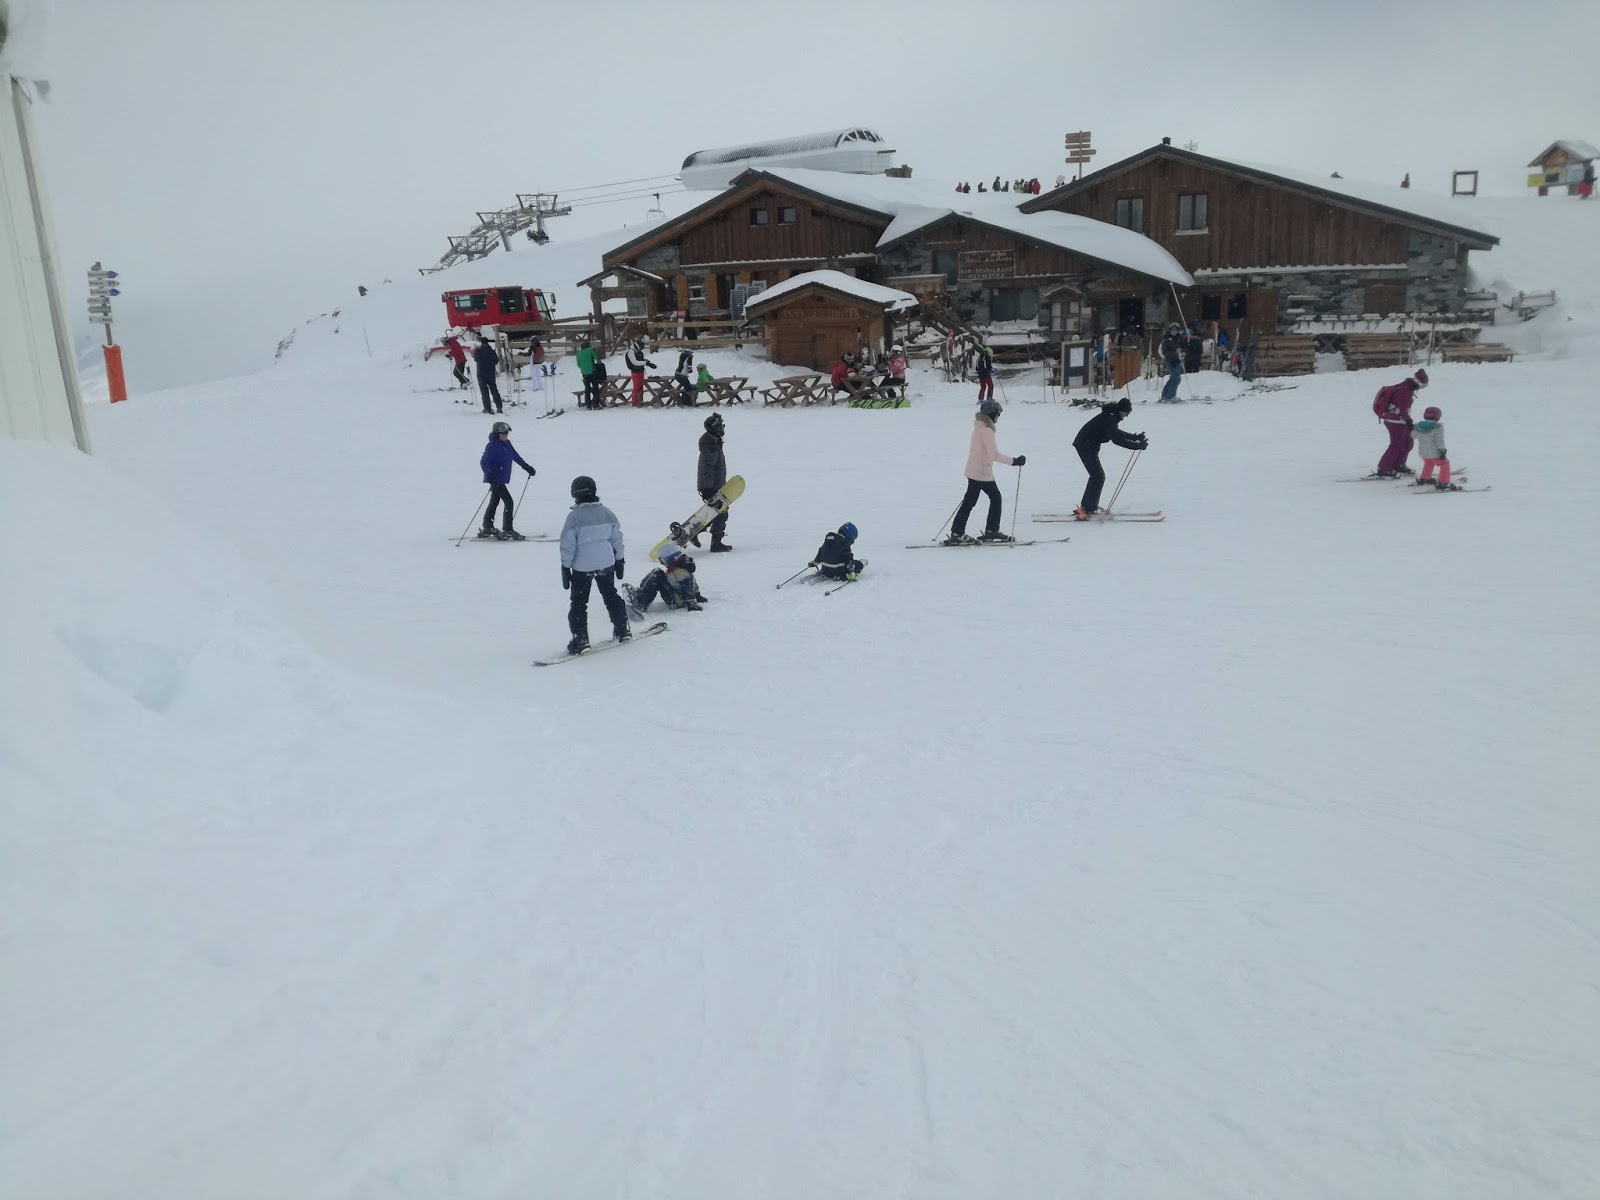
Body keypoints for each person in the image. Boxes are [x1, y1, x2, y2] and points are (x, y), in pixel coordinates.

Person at [559, 474, 629, 654]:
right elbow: (617, 539)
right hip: (606, 565)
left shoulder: (574, 517)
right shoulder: (607, 513)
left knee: (579, 603)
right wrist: (619, 560)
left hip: (582, 568)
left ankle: (580, 640)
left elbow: (567, 546)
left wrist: (565, 568)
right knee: (611, 596)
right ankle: (623, 629)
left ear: (575, 494)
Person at [944, 399, 1025, 545]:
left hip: (980, 471)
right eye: (997, 415)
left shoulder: (979, 428)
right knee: (981, 500)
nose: (998, 418)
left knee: (981, 500)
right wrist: (1015, 461)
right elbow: (994, 455)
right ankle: (962, 532)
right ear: (991, 415)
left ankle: (980, 531)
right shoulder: (986, 431)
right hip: (980, 473)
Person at [1072, 396, 1146, 519]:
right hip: (1085, 446)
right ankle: (1087, 508)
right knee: (1098, 476)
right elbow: (1116, 439)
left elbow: (1116, 433)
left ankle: (1088, 507)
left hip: (1088, 445)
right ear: (1121, 410)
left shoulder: (1111, 416)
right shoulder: (1110, 418)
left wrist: (1135, 438)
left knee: (1097, 476)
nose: (1126, 416)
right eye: (1126, 413)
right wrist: (1136, 446)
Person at [478, 420, 536, 540]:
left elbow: (515, 456)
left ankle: (487, 526)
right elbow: (483, 462)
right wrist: (490, 475)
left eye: (506, 433)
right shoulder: (493, 446)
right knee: (508, 501)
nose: (505, 435)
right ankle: (508, 529)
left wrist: (526, 467)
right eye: (503, 433)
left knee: (494, 501)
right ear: (496, 434)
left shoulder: (507, 444)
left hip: (501, 479)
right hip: (495, 479)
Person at [1373, 368, 1428, 476]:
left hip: (1400, 420)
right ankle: (1384, 469)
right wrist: (1408, 422)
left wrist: (1407, 421)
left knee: (1407, 443)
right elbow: (1402, 408)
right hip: (1394, 421)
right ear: (1418, 383)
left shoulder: (1407, 388)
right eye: (1423, 385)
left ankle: (1399, 465)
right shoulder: (1404, 391)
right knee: (1397, 445)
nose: (1422, 388)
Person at [624, 543, 704, 616]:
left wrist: (691, 603)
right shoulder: (680, 565)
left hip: (677, 601)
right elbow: (692, 581)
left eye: (663, 561)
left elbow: (689, 585)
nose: (663, 563)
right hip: (676, 594)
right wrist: (698, 595)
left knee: (657, 575)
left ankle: (640, 603)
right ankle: (641, 593)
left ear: (672, 559)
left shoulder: (679, 571)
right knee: (657, 571)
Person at [697, 412, 732, 552]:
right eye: (721, 426)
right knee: (721, 513)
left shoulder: (713, 443)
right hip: (711, 487)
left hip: (715, 485)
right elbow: (707, 469)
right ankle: (715, 543)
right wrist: (708, 488)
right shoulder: (710, 447)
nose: (723, 428)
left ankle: (704, 534)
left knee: (716, 512)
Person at [1412, 404, 1458, 490]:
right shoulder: (1437, 428)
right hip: (1434, 453)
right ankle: (1444, 482)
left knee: (1428, 463)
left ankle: (1425, 478)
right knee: (1445, 464)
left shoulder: (1419, 426)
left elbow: (1413, 435)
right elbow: (1439, 441)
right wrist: (1442, 451)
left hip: (1423, 453)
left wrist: (1411, 428)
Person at [474, 335, 503, 413]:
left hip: (481, 374)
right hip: (491, 374)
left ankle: (488, 408)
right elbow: (496, 361)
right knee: (494, 390)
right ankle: (499, 407)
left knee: (484, 392)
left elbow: (475, 359)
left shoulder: (478, 350)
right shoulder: (491, 351)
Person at [1158, 323, 1187, 401]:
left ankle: (1165, 395)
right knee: (1176, 377)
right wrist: (1175, 352)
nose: (1174, 331)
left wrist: (1183, 351)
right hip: (1170, 361)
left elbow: (1184, 347)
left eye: (1176, 330)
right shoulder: (1166, 340)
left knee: (1174, 378)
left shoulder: (1180, 338)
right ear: (1170, 330)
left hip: (1178, 360)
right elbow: (1165, 352)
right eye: (1173, 330)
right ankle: (1171, 396)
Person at [624, 337, 656, 407]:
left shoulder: (639, 352)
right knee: (636, 387)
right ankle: (635, 402)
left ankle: (640, 400)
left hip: (641, 371)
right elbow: (635, 362)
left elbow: (641, 360)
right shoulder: (631, 352)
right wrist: (645, 363)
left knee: (641, 387)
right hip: (635, 372)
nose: (640, 350)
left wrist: (648, 362)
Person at [576, 338, 600, 409]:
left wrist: (583, 368)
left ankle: (588, 405)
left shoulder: (578, 353)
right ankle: (596, 404)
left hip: (584, 373)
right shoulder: (590, 350)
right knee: (595, 388)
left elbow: (578, 364)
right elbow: (597, 360)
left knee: (587, 388)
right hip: (593, 371)